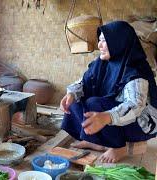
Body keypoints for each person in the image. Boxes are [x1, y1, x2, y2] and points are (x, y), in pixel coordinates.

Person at [60, 21, 157, 163]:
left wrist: (106, 117)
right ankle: (95, 141)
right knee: (76, 100)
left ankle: (119, 148)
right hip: (118, 115)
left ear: (118, 42)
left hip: (141, 122)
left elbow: (135, 105)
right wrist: (71, 94)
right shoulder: (102, 63)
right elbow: (83, 82)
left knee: (94, 103)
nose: (99, 45)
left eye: (104, 41)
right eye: (99, 41)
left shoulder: (134, 70)